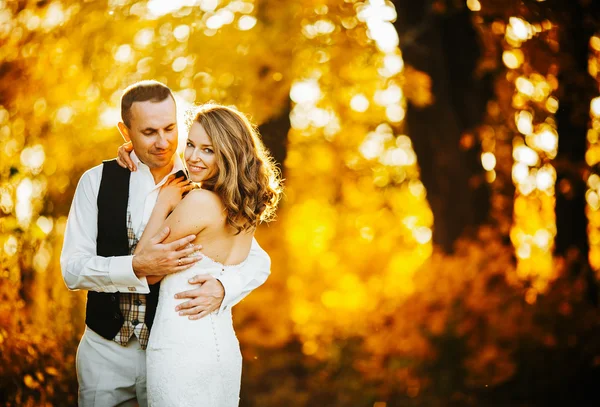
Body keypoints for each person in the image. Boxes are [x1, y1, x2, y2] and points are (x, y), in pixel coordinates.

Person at [60, 80, 272, 407]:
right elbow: (72, 270)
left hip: (174, 348)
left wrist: (224, 286)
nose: (163, 142)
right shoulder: (97, 182)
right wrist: (133, 267)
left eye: (170, 128)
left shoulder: (201, 184)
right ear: (125, 132)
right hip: (107, 352)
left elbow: (256, 260)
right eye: (148, 132)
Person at [117, 103, 282, 406]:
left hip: (181, 350)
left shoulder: (200, 203)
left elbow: (144, 267)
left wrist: (163, 204)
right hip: (221, 351)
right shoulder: (242, 212)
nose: (193, 156)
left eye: (208, 150)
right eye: (190, 144)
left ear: (228, 154)